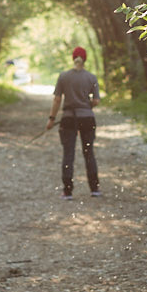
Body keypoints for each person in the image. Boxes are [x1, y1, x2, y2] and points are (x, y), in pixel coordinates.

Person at [47, 46, 100, 200]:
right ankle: (94, 188)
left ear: (73, 58)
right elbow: (96, 100)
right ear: (85, 59)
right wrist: (86, 105)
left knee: (68, 154)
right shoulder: (92, 77)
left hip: (68, 119)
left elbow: (57, 99)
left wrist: (51, 119)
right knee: (89, 153)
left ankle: (68, 191)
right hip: (87, 119)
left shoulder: (63, 77)